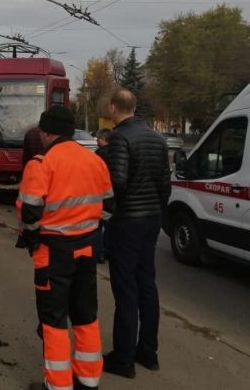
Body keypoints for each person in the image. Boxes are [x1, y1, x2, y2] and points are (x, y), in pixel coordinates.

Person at [16, 105, 114, 390]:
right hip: (86, 249)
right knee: (85, 315)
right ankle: (88, 380)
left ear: (46, 132)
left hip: (53, 252)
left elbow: (29, 213)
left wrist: (33, 240)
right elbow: (108, 206)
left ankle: (57, 385)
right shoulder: (94, 161)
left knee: (54, 321)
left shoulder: (41, 163)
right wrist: (89, 230)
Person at [103, 89, 170, 378]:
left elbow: (116, 181)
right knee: (147, 284)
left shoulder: (119, 137)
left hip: (127, 221)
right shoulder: (157, 138)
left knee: (125, 288)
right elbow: (165, 183)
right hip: (151, 219)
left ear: (115, 107)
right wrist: (155, 209)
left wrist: (110, 210)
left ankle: (123, 358)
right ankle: (148, 352)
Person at [94, 128, 113, 263]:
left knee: (99, 225)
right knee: (110, 224)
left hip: (101, 194)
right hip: (114, 193)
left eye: (97, 139)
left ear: (103, 140)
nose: (96, 141)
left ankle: (100, 253)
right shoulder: (116, 153)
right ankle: (108, 251)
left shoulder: (98, 155)